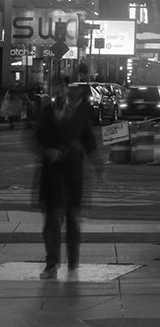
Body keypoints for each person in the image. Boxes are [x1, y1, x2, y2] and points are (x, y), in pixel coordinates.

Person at [35, 78, 104, 279]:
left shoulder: (78, 112)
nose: (58, 91)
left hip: (73, 172)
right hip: (52, 173)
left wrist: (97, 161)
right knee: (52, 219)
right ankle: (51, 263)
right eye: (54, 87)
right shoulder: (46, 112)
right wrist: (47, 151)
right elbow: (38, 137)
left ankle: (73, 260)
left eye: (61, 88)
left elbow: (88, 138)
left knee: (72, 217)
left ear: (66, 91)